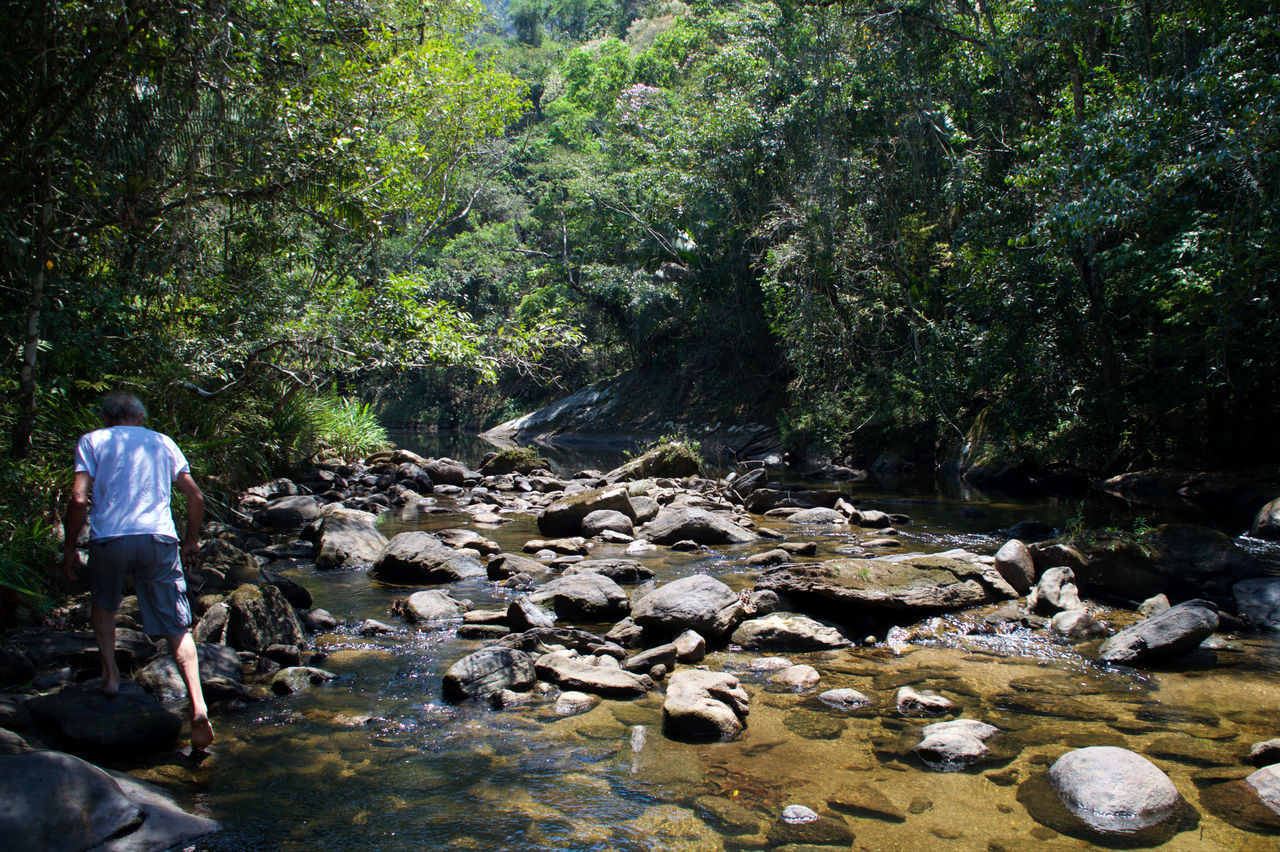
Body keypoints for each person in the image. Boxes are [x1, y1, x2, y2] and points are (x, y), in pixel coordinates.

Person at [60, 392, 214, 750]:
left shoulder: (93, 441)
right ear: (139, 417)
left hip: (111, 539)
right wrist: (190, 542)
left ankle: (111, 675)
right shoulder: (163, 442)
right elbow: (196, 497)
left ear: (107, 417)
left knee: (105, 605)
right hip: (159, 538)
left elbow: (80, 498)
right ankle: (198, 704)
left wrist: (69, 551)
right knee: (177, 625)